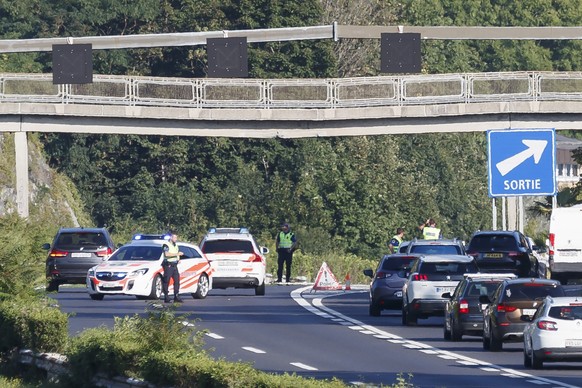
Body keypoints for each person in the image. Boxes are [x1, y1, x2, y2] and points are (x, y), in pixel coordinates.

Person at [162, 231, 184, 303]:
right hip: (168, 265)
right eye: (174, 237)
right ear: (171, 237)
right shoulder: (166, 245)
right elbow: (166, 254)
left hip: (174, 265)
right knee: (166, 280)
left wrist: (178, 259)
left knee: (177, 281)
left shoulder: (175, 245)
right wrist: (177, 254)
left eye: (176, 237)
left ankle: (176, 296)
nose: (176, 239)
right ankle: (166, 296)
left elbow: (177, 254)